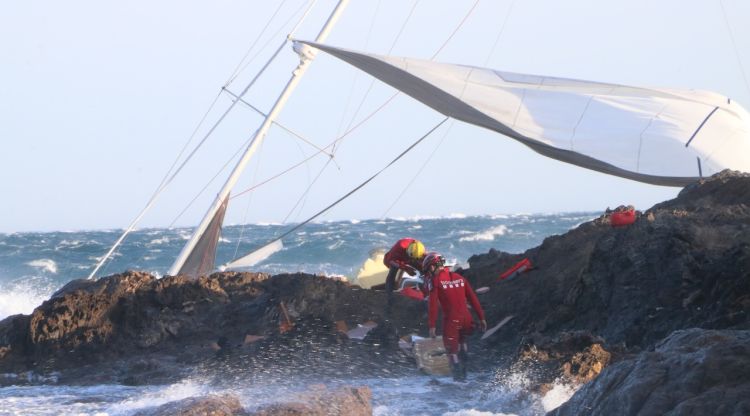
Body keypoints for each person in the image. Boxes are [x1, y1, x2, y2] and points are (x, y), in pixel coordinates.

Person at [424, 252, 487, 381]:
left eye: (428, 270)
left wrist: (432, 326)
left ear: (432, 267)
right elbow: (473, 299)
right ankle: (466, 375)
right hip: (467, 319)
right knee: (462, 343)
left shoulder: (435, 281)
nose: (428, 274)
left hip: (452, 321)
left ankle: (458, 382)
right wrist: (482, 318)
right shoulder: (460, 277)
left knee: (452, 352)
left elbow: (433, 306)